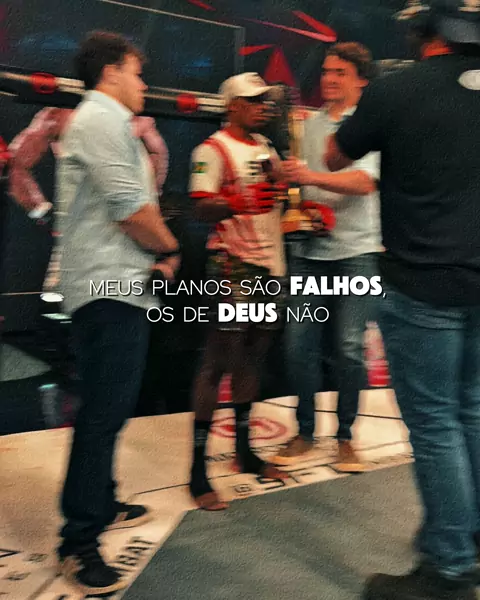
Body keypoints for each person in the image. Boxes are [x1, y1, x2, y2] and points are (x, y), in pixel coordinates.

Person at [324, 2, 480, 598]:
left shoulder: (399, 88)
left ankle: (450, 568)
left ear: (424, 31)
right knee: (470, 412)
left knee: (436, 423)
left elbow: (336, 155)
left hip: (423, 285)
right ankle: (468, 539)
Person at [54, 31, 179, 596]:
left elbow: (133, 205)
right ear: (110, 72)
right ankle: (78, 543)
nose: (143, 83)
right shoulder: (101, 120)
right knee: (103, 413)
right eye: (137, 71)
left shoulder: (106, 122)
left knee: (110, 408)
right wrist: (170, 249)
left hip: (117, 285)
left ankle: (100, 505)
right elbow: (133, 211)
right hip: (108, 288)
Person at [270, 43, 380, 473]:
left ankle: (346, 438)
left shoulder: (371, 124)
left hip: (359, 252)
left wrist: (309, 175)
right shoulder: (308, 125)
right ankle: (304, 432)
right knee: (298, 347)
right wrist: (291, 185)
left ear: (361, 80)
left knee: (350, 348)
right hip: (310, 252)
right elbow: (303, 187)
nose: (329, 79)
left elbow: (364, 183)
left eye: (340, 72)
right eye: (326, 71)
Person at [187, 72, 290, 511]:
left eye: (265, 100)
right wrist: (236, 202)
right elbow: (199, 207)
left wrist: (292, 195)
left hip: (271, 265)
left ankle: (245, 452)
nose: (262, 106)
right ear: (232, 106)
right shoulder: (211, 150)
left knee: (252, 357)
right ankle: (197, 471)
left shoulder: (266, 147)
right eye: (253, 100)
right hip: (232, 267)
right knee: (217, 362)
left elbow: (279, 196)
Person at [8, 105, 169, 287]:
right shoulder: (62, 114)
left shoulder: (135, 118)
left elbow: (157, 154)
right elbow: (15, 166)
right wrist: (43, 212)